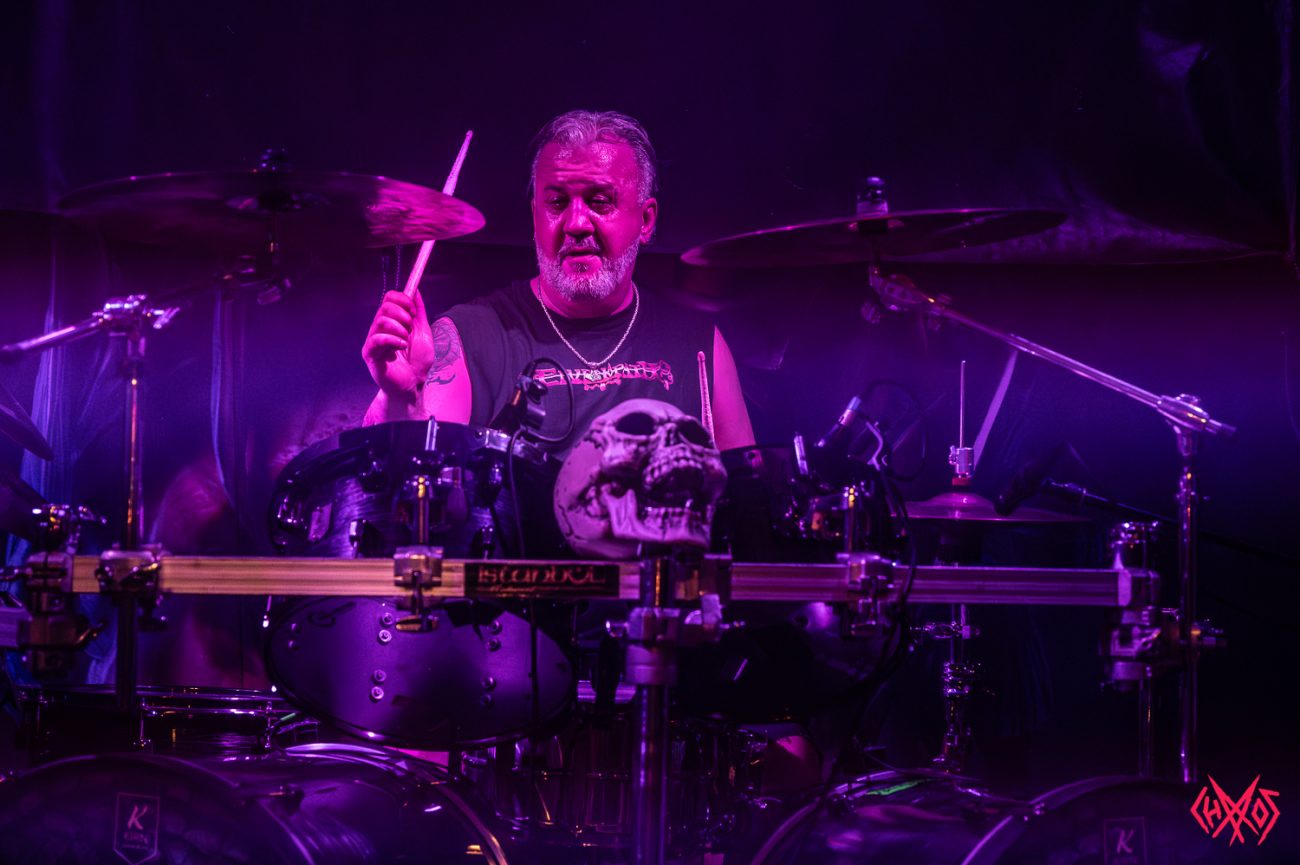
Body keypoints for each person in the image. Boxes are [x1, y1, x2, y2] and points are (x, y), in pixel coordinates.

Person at [360, 110, 754, 453]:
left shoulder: (698, 344)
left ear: (646, 221)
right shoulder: (466, 336)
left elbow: (748, 501)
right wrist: (403, 400)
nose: (576, 223)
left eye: (600, 201)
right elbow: (420, 487)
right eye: (557, 202)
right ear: (535, 217)